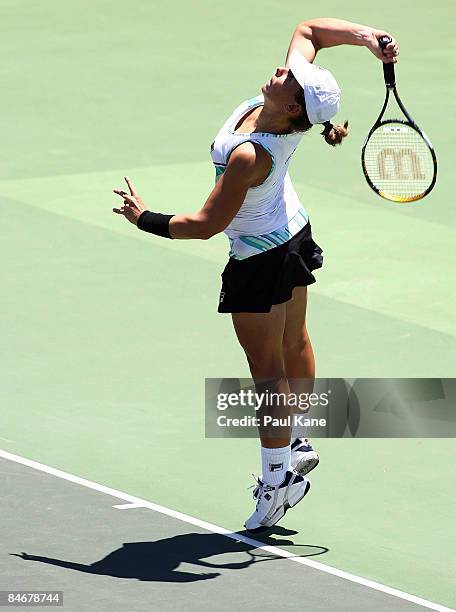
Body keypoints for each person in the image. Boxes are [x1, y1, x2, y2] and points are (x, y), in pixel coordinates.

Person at [112, 18, 399, 533]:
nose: (281, 69)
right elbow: (309, 30)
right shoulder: (286, 108)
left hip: (259, 257)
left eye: (290, 77)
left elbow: (203, 226)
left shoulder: (250, 156)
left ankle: (278, 482)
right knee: (296, 342)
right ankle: (299, 440)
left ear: (293, 108)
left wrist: (144, 219)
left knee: (268, 376)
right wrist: (370, 38)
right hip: (293, 230)